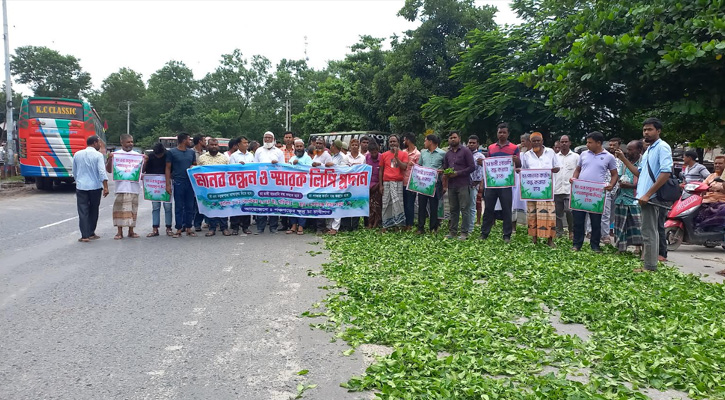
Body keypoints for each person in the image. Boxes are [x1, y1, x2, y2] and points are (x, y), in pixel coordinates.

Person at [626, 118, 673, 272]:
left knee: (649, 232)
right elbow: (639, 173)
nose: (646, 132)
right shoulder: (649, 150)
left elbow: (666, 172)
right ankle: (649, 264)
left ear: (658, 131)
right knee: (648, 231)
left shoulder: (662, 147)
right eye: (644, 129)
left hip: (651, 197)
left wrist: (648, 194)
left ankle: (650, 267)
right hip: (644, 196)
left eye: (650, 129)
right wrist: (623, 159)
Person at [570, 131, 618, 253]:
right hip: (581, 192)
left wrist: (611, 185)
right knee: (578, 220)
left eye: (590, 142)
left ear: (598, 143)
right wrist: (574, 178)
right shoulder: (584, 154)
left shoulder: (608, 157)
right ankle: (577, 244)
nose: (587, 145)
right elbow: (578, 170)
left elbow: (614, 174)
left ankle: (595, 245)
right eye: (587, 142)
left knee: (596, 221)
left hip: (597, 194)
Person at [481, 123, 521, 243]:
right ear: (497, 133)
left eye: (504, 132)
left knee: (506, 209)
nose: (502, 134)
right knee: (488, 208)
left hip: (506, 184)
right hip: (492, 184)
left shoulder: (514, 148)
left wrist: (516, 160)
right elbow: (488, 164)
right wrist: (481, 163)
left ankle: (507, 235)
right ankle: (484, 233)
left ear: (508, 134)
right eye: (500, 132)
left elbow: (519, 166)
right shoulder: (491, 147)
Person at [520, 132, 560, 247]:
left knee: (549, 216)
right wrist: (520, 172)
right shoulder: (527, 155)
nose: (536, 143)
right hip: (532, 191)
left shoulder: (551, 152)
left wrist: (554, 170)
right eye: (534, 141)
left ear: (542, 141)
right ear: (530, 142)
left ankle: (550, 240)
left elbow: (557, 167)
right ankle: (534, 239)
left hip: (546, 191)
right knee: (533, 215)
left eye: (538, 141)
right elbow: (524, 171)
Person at [72, 135, 109, 242]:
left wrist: (78, 181)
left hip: (81, 186)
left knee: (83, 211)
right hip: (95, 187)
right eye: (99, 143)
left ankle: (84, 236)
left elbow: (74, 171)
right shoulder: (98, 155)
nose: (100, 145)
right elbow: (102, 172)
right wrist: (105, 187)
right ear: (94, 143)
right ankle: (91, 232)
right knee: (94, 209)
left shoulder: (77, 154)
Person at [106, 134, 142, 240]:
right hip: (121, 187)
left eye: (131, 142)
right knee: (119, 210)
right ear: (122, 142)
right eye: (128, 142)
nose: (130, 144)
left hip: (134, 187)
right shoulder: (116, 155)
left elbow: (142, 170)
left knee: (133, 210)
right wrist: (109, 160)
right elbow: (109, 170)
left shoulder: (137, 155)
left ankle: (131, 231)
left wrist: (145, 161)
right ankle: (119, 232)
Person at [613, 140, 644, 254]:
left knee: (638, 226)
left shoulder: (642, 163)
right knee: (620, 225)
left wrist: (631, 186)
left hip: (635, 199)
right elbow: (620, 176)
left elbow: (643, 180)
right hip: (622, 197)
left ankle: (640, 247)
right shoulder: (624, 164)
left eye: (631, 150)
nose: (628, 152)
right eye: (628, 150)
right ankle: (621, 248)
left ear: (639, 150)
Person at [442, 131, 475, 240]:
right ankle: (453, 232)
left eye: (454, 137)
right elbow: (445, 167)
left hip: (463, 184)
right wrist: (445, 173)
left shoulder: (466, 151)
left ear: (459, 138)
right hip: (452, 185)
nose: (452, 139)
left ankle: (464, 232)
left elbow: (472, 167)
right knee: (453, 209)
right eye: (450, 138)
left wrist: (458, 173)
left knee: (465, 208)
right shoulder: (448, 154)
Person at [197, 138, 231, 236]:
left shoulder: (224, 158)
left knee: (223, 207)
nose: (214, 146)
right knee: (211, 208)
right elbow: (198, 173)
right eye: (212, 145)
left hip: (222, 187)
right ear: (208, 146)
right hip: (208, 188)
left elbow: (228, 173)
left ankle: (224, 228)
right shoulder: (202, 158)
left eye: (216, 145)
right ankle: (212, 228)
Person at [166, 132, 197, 238]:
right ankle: (179, 228)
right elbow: (168, 168)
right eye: (189, 139)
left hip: (190, 183)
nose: (190, 142)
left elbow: (195, 165)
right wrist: (168, 184)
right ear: (184, 140)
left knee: (190, 206)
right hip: (178, 182)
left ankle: (189, 228)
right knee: (179, 206)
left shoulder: (191, 152)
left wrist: (193, 167)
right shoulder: (172, 152)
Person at [254, 131, 285, 234]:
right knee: (261, 204)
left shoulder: (279, 152)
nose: (267, 139)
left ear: (273, 139)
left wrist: (277, 164)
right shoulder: (258, 151)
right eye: (265, 137)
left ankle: (273, 227)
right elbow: (254, 166)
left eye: (269, 138)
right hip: (261, 182)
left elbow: (283, 167)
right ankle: (260, 227)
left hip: (274, 182)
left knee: (274, 204)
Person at [379, 135, 409, 232]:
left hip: (398, 182)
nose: (392, 143)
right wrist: (380, 185)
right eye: (390, 141)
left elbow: (404, 167)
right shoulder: (384, 155)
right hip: (386, 182)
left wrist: (396, 157)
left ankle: (397, 225)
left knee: (397, 204)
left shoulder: (403, 154)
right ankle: (385, 225)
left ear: (398, 143)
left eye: (394, 141)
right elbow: (381, 171)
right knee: (386, 204)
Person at [416, 134, 445, 234]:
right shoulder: (423, 153)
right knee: (422, 206)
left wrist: (442, 171)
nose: (424, 143)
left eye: (425, 141)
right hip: (423, 184)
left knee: (434, 206)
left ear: (430, 142)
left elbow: (445, 167)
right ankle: (420, 228)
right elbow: (419, 165)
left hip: (435, 184)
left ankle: (433, 227)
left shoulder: (442, 153)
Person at [143, 142, 173, 237]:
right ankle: (155, 228)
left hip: (166, 182)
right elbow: (144, 170)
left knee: (168, 207)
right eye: (157, 155)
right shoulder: (150, 156)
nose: (159, 156)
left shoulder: (168, 154)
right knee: (155, 207)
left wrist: (168, 183)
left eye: (160, 155)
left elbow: (171, 168)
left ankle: (169, 228)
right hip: (154, 184)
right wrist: (145, 161)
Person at [228, 137, 254, 235]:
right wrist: (238, 166)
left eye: (247, 142)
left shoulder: (251, 155)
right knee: (236, 205)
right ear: (238, 144)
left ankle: (246, 226)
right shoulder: (234, 156)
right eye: (244, 143)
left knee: (246, 204)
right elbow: (230, 170)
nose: (246, 144)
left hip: (248, 184)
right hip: (236, 185)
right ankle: (235, 227)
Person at [554, 135, 578, 239]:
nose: (564, 144)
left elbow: (579, 170)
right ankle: (559, 232)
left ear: (570, 143)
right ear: (559, 143)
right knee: (557, 213)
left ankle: (571, 231)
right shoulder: (554, 157)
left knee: (569, 211)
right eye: (562, 142)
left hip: (570, 189)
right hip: (557, 188)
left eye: (566, 142)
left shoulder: (576, 157)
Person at [287, 139, 312, 235]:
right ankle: (293, 225)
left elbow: (310, 170)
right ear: (294, 147)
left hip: (304, 186)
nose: (299, 148)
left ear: (304, 147)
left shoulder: (308, 158)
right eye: (297, 146)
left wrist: (299, 164)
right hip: (292, 186)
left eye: (300, 146)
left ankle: (301, 226)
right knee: (292, 206)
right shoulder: (292, 158)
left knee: (301, 206)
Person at [341, 138, 366, 232]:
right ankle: (346, 226)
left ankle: (355, 226)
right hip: (347, 184)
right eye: (353, 145)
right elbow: (343, 169)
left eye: (356, 145)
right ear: (350, 147)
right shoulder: (346, 157)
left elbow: (364, 170)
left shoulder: (362, 158)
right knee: (347, 203)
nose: (354, 147)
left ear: (358, 146)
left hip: (358, 184)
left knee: (357, 204)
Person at [694, 156, 725, 231]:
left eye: (720, 163)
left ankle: (705, 227)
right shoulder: (711, 176)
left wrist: (719, 189)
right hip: (706, 201)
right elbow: (702, 186)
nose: (717, 165)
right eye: (716, 163)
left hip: (720, 202)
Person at [402, 133, 421, 231]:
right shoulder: (403, 152)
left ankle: (410, 224)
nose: (403, 142)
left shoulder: (417, 154)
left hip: (412, 183)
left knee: (410, 204)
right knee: (404, 203)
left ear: (408, 140)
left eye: (405, 140)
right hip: (402, 181)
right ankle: (404, 223)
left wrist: (413, 164)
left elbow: (420, 170)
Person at [325, 140, 346, 235]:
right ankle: (329, 226)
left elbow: (344, 169)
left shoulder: (343, 157)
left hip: (339, 184)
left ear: (334, 146)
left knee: (337, 205)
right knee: (330, 204)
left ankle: (335, 227)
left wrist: (333, 165)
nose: (330, 147)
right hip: (331, 184)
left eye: (332, 145)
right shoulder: (332, 157)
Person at [466, 135, 485, 234]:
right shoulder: (465, 153)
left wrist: (477, 183)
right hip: (464, 184)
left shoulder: (480, 156)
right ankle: (464, 226)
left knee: (472, 206)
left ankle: (470, 228)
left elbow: (482, 171)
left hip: (474, 184)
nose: (471, 144)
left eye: (473, 143)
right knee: (464, 206)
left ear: (477, 144)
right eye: (470, 142)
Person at [366, 140, 383, 229]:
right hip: (369, 185)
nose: (373, 154)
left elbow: (382, 172)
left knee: (377, 205)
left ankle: (376, 222)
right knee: (370, 205)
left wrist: (379, 185)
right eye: (372, 152)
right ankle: (370, 222)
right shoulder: (367, 158)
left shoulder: (381, 157)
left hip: (378, 184)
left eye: (375, 152)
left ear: (378, 150)